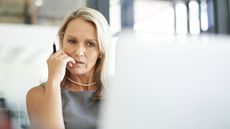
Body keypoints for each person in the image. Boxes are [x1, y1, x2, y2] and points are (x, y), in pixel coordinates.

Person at [26, 7, 111, 129]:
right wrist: (54, 81)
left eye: (90, 44)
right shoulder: (38, 94)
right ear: (62, 42)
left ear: (101, 51)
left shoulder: (119, 91)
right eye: (72, 41)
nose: (79, 52)